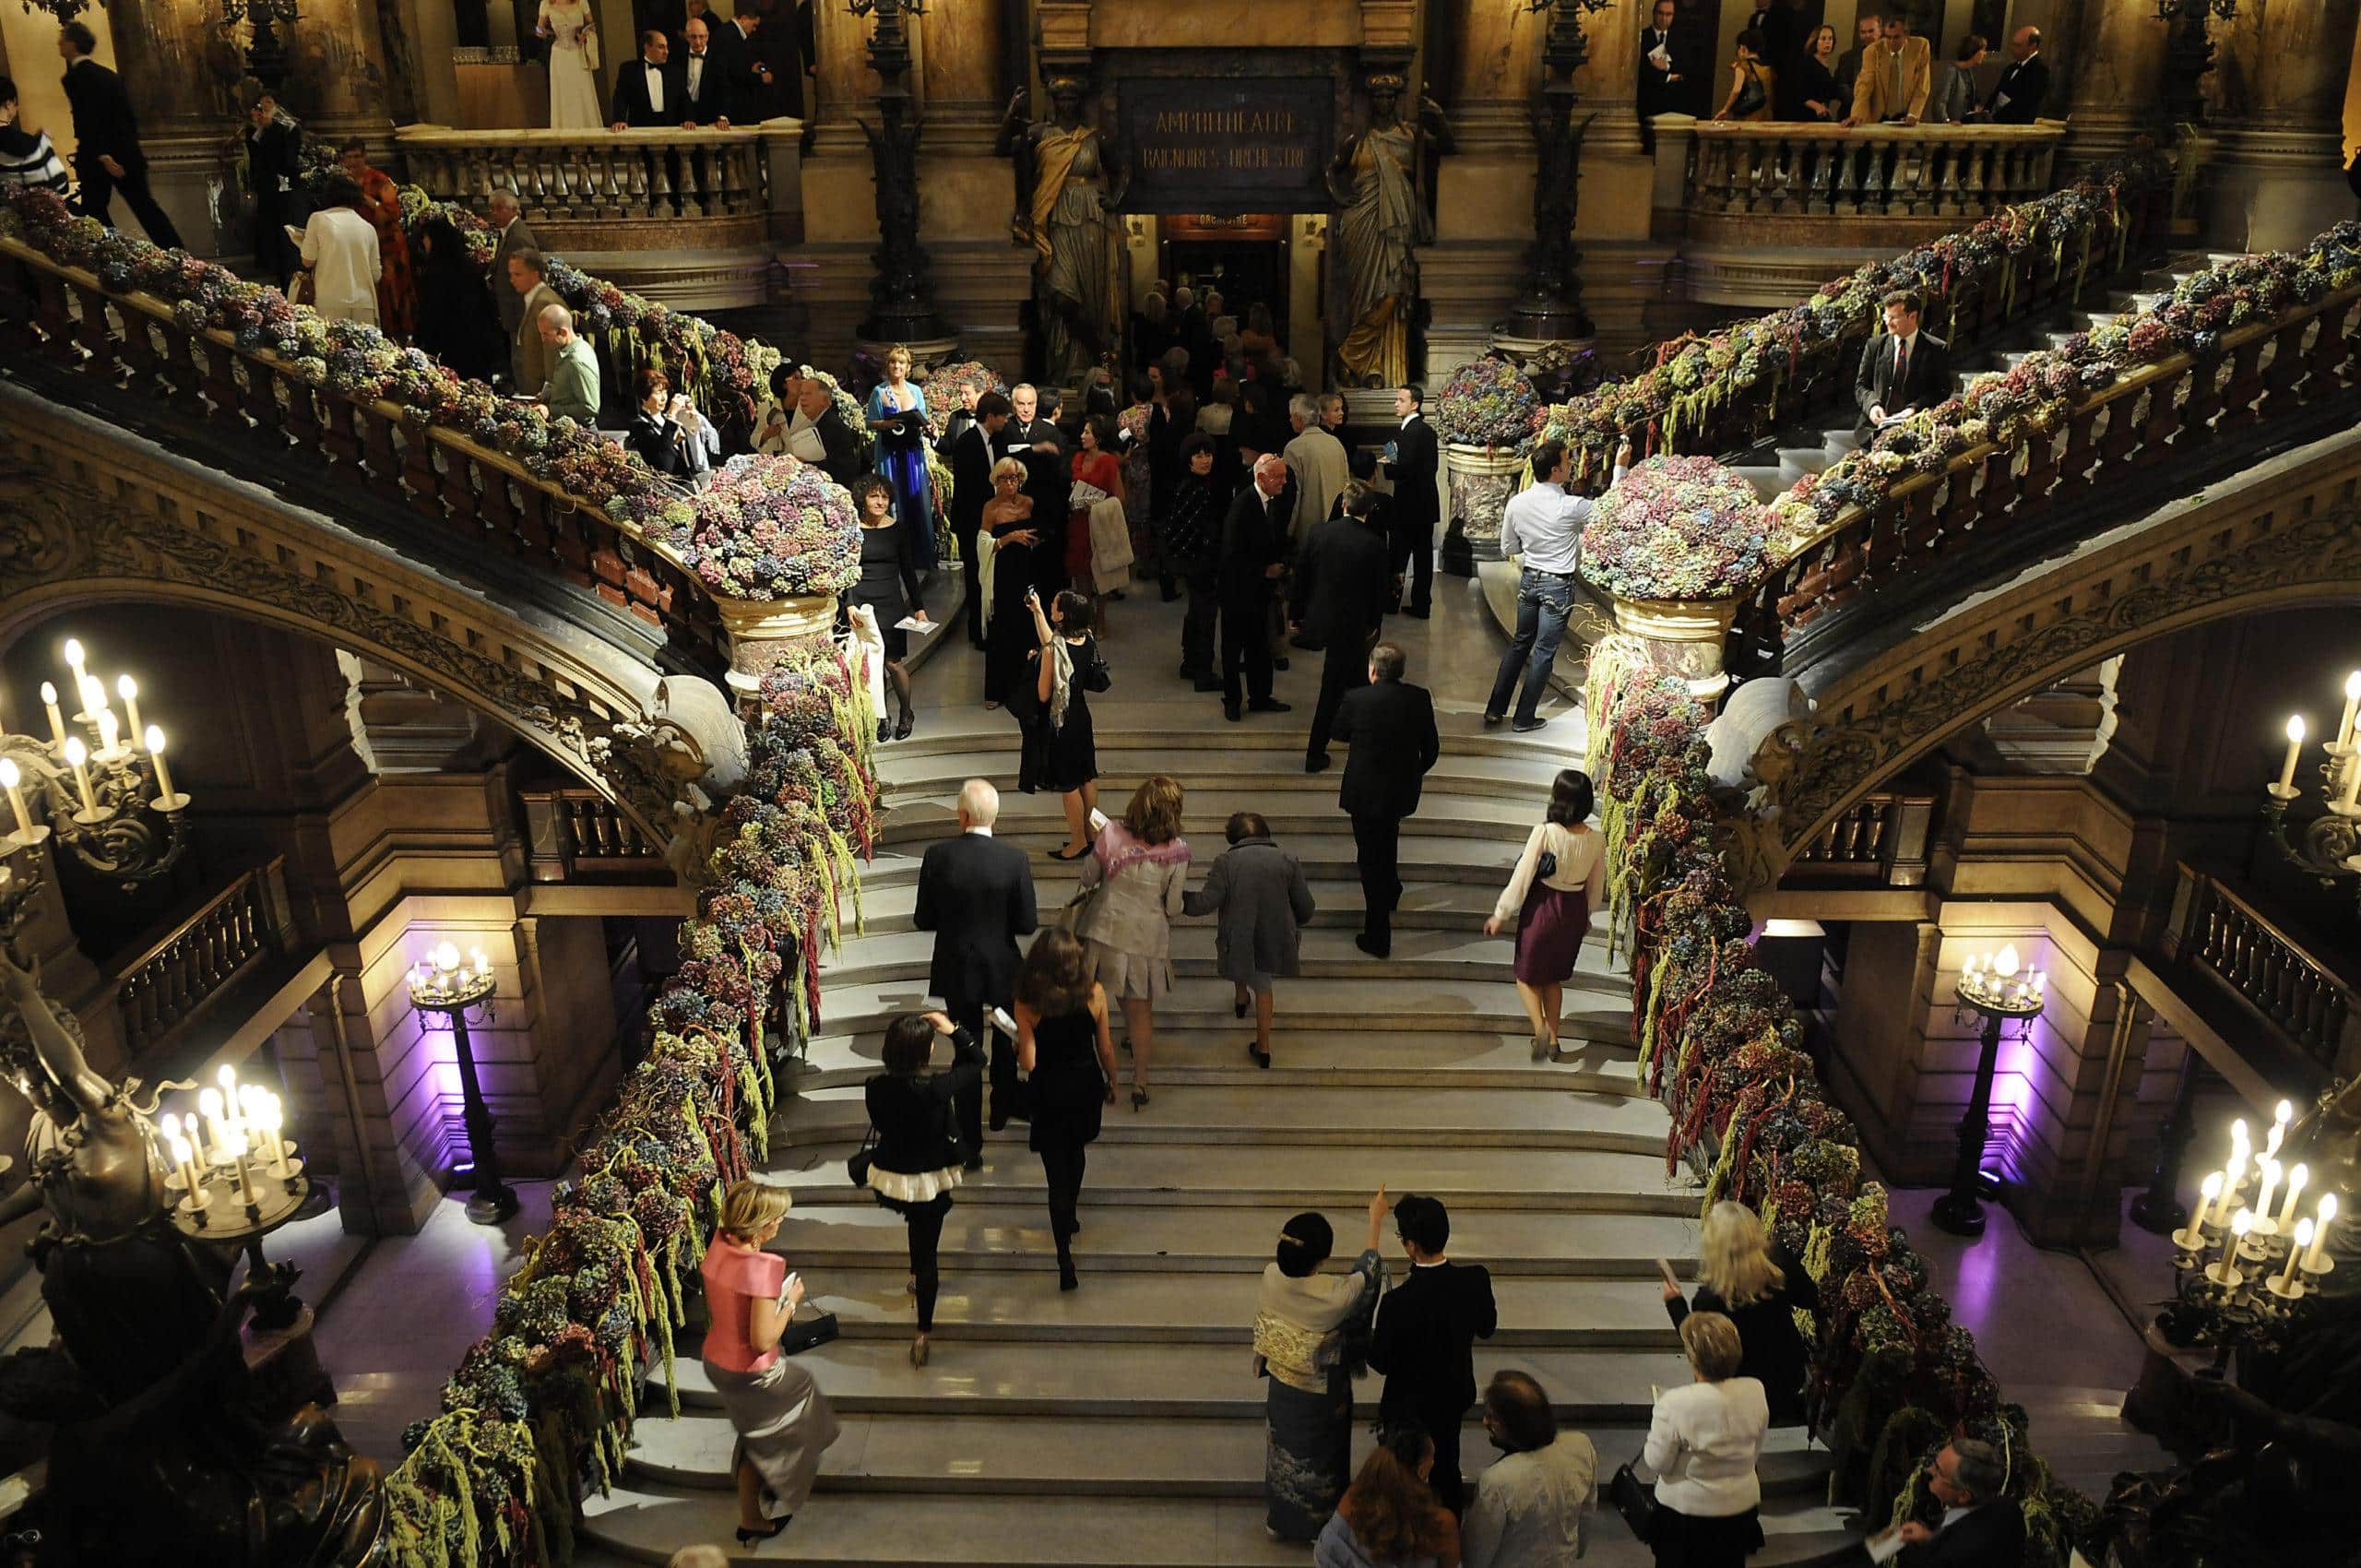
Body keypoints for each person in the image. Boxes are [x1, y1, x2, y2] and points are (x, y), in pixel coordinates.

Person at [699, 1178, 842, 1546]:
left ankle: (771, 1480)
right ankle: (753, 1516)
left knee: (758, 1434)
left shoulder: (719, 1242)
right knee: (784, 1419)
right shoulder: (762, 1267)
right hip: (753, 1372)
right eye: (777, 1218)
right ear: (760, 1224)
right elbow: (763, 1338)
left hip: (717, 1359)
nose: (781, 1223)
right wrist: (790, 1300)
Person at [912, 779, 1038, 1161]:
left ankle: (969, 1140)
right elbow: (1028, 923)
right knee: (1004, 1037)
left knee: (966, 1047)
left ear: (962, 815)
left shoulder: (937, 855)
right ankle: (1001, 1107)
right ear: (995, 817)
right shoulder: (1014, 859)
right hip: (1001, 965)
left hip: (957, 964)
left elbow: (923, 918)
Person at [1256, 1194, 1390, 1541]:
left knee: (1284, 1446)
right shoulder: (1335, 1294)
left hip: (1283, 1381)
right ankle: (1319, 1524)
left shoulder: (1271, 1276)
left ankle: (1282, 1518)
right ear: (1323, 1256)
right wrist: (1374, 1221)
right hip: (1321, 1392)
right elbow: (1368, 1271)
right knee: (1322, 1452)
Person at [861, 1010, 984, 1369]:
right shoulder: (935, 1089)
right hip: (929, 1180)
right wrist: (953, 1029)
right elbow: (978, 1059)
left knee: (916, 1228)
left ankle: (916, 1276)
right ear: (925, 1052)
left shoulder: (875, 1087)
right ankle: (923, 1332)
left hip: (895, 1175)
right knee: (928, 1246)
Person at [1369, 1194, 1496, 1516]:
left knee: (1401, 1476)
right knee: (1446, 1465)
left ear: (1411, 1246)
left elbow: (1380, 1362)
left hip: (1407, 1405)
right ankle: (1446, 1536)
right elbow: (1487, 1327)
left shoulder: (1397, 1303)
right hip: (1452, 1396)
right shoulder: (1475, 1279)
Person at [1484, 438, 1623, 732]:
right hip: (1557, 585)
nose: (1571, 465)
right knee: (1545, 652)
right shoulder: (1571, 506)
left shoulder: (1517, 502)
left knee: (1521, 643)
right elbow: (1612, 512)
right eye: (1567, 461)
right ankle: (1523, 718)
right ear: (1556, 471)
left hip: (1530, 580)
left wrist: (1534, 544)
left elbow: (1508, 547)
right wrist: (1620, 468)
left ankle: (1495, 709)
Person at [1012, 928, 1118, 1292]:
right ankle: (1070, 1213)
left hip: (1049, 1092)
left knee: (1055, 1171)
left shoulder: (1027, 1003)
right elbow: (1105, 1048)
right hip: (1085, 1086)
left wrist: (1018, 1041)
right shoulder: (1094, 993)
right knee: (1076, 1152)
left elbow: (1028, 1063)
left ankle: (1064, 1258)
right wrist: (1114, 1082)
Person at [1074, 775, 1189, 1109]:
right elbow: (1173, 906)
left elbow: (1087, 878)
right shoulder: (1178, 851)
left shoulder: (1112, 833)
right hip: (1146, 939)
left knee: (1102, 993)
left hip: (1104, 931)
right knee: (1141, 1012)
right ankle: (1140, 1081)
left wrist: (1098, 844)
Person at [1483, 767, 1607, 1059]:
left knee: (1526, 977)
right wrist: (1587, 913)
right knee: (1553, 979)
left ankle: (1539, 1028)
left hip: (1543, 906)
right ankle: (1553, 1040)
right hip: (1574, 909)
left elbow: (1523, 876)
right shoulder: (1597, 839)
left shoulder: (1545, 832)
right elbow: (1597, 884)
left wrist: (1501, 913)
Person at [1664, 1201, 1819, 1427]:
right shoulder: (1780, 1265)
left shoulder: (1710, 1298)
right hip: (1786, 1379)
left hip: (1736, 1388)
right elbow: (1810, 1298)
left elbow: (1701, 1348)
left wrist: (1675, 1303)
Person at [1330, 642, 1438, 960]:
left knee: (1369, 858)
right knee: (1388, 840)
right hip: (1400, 791)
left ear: (1372, 670)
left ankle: (1378, 934)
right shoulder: (1418, 698)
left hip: (1364, 792)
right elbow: (1431, 748)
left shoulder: (1356, 698)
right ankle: (1391, 889)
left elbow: (1337, 731)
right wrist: (1413, 772)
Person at [1185, 811, 1315, 1068]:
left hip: (1239, 934)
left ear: (1233, 838)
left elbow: (1206, 902)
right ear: (1265, 833)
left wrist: (1176, 898)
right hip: (1273, 935)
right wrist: (1294, 924)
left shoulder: (1226, 862)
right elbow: (1306, 906)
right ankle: (1263, 1046)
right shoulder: (1287, 860)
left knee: (1238, 957)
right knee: (1264, 986)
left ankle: (1240, 997)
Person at [1643, 1311, 1768, 1568]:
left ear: (1693, 1358)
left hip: (1685, 1519)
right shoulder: (1755, 1390)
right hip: (1738, 1512)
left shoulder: (1674, 1403)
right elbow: (1754, 1449)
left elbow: (1657, 1462)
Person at [1293, 484, 1393, 775]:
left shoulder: (1318, 532)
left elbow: (1302, 576)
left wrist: (1296, 614)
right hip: (1353, 626)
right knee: (1342, 687)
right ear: (1369, 510)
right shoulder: (1373, 543)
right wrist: (1374, 625)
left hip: (1322, 619)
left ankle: (1333, 740)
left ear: (1344, 506)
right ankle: (1321, 751)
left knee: (1341, 684)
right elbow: (1379, 591)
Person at [57, 22, 184, 249]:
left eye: (63, 39)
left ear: (73, 44)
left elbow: (89, 119)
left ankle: (114, 251)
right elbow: (127, 118)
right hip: (126, 151)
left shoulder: (78, 78)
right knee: (144, 207)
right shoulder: (108, 75)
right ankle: (177, 253)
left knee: (96, 210)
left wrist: (104, 155)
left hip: (101, 154)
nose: (59, 43)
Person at [1461, 1372, 1596, 1568]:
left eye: (1492, 1417)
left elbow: (1476, 1555)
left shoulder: (1497, 1481)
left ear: (1516, 1425)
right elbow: (1586, 1516)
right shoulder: (1581, 1447)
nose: (1485, 1422)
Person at [1020, 588, 1108, 849]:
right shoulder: (1087, 639)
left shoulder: (1051, 652)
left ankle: (1078, 841)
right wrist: (1036, 612)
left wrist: (1037, 664)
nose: (1050, 604)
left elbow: (1044, 694)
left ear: (1062, 615)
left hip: (1061, 723)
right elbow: (1055, 643)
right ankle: (1092, 834)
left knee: (1068, 784)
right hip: (1082, 716)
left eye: (1054, 604)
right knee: (1086, 777)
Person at [844, 474, 925, 741]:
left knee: (893, 662)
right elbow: (847, 571)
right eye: (874, 496)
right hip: (862, 604)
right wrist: (850, 605)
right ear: (863, 499)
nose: (880, 502)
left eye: (884, 497)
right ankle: (881, 716)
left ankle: (906, 712)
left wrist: (919, 607)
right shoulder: (851, 529)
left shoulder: (898, 529)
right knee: (869, 664)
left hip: (891, 603)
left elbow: (908, 571)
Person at [1857, 1440, 2024, 1566]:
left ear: (1963, 1496)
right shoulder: (2009, 1508)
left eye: (1939, 1472)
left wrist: (1900, 1545)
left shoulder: (1945, 1558)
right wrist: (1930, 1538)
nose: (1929, 1471)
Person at [1316, 1425, 1462, 1568]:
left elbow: (1329, 1547)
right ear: (1422, 1470)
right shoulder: (1441, 1523)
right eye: (1433, 1457)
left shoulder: (1352, 1499)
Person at [1218, 455, 1294, 723]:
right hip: (1238, 592)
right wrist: (1263, 571)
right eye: (1279, 477)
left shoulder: (1273, 502)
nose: (1285, 482)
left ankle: (1260, 696)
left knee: (1259, 646)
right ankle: (1232, 700)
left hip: (1259, 592)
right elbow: (1231, 555)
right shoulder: (1242, 507)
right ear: (1261, 478)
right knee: (1233, 647)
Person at [981, 457, 1046, 707]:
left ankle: (1030, 684)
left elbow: (1038, 532)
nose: (1010, 483)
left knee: (1028, 624)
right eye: (1005, 478)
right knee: (1003, 626)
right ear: (996, 481)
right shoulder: (991, 508)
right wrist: (1008, 538)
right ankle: (997, 690)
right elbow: (983, 543)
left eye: (1015, 478)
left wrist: (1035, 540)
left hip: (1028, 569)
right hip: (1003, 572)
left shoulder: (1029, 503)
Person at [867, 344, 938, 572]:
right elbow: (869, 421)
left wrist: (930, 428)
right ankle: (896, 557)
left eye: (901, 363)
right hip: (890, 453)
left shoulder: (916, 392)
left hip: (912, 453)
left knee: (916, 499)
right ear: (888, 365)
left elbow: (924, 419)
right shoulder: (879, 392)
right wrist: (886, 424)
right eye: (893, 362)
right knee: (894, 499)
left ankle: (922, 556)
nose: (897, 366)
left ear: (908, 367)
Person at [410, 215, 505, 383]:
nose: (424, 243)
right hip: (477, 345)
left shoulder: (435, 272)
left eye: (426, 238)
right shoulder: (470, 268)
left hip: (448, 345)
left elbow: (430, 312)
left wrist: (418, 341)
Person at [951, 391, 1013, 647]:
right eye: (1003, 417)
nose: (1006, 421)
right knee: (976, 578)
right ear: (990, 417)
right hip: (972, 520)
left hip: (990, 519)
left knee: (990, 576)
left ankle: (991, 626)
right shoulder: (967, 442)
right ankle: (977, 632)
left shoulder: (996, 440)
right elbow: (971, 487)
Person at [1167, 434, 1226, 691]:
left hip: (1192, 561)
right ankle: (1203, 671)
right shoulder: (1197, 489)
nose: (1205, 460)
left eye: (1208, 454)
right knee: (1205, 617)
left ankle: (1190, 664)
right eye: (1198, 456)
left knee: (1196, 614)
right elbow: (1199, 530)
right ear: (1187, 460)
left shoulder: (1193, 485)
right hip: (1201, 562)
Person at [338, 138, 414, 338]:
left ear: (365, 156)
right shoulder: (342, 182)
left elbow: (394, 214)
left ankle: (396, 335)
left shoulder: (380, 180)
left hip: (386, 245)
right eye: (349, 157)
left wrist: (368, 201)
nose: (354, 161)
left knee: (390, 292)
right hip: (358, 244)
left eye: (357, 156)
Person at [1855, 288, 1951, 434]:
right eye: (1887, 317)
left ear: (1912, 316)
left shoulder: (1936, 348)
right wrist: (1872, 406)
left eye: (1894, 318)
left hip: (1916, 428)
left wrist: (1914, 408)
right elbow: (1861, 386)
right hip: (1874, 429)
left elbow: (1941, 391)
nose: (1888, 322)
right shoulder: (1874, 345)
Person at [611, 30, 686, 213]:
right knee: (652, 169)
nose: (666, 51)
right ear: (647, 47)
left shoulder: (675, 72)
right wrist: (620, 119)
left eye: (667, 47)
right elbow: (620, 96)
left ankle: (676, 208)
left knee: (674, 168)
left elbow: (684, 99)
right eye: (661, 47)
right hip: (644, 125)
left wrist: (688, 119)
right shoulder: (629, 69)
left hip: (670, 126)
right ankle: (656, 207)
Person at [1383, 386, 1440, 618]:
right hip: (1424, 505)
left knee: (1399, 554)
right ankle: (1421, 604)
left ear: (1414, 404)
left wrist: (1387, 466)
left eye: (1401, 400)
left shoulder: (1414, 431)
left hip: (1410, 505)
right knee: (1423, 556)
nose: (1396, 404)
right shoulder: (1421, 430)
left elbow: (1405, 467)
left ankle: (1392, 603)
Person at [298, 178, 383, 327]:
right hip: (364, 302)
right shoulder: (368, 227)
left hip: (330, 300)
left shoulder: (318, 219)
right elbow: (376, 275)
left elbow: (307, 260)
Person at [239, 89, 301, 284]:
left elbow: (287, 159)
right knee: (269, 234)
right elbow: (255, 155)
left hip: (285, 188)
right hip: (265, 188)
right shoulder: (255, 130)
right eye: (261, 102)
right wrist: (257, 129)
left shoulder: (288, 127)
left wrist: (272, 128)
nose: (264, 106)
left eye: (268, 101)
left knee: (286, 235)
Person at [1067, 413, 1128, 606]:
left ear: (1098, 437)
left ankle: (1100, 617)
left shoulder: (1108, 461)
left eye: (1087, 432)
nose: (1082, 436)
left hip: (1099, 524)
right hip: (1078, 523)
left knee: (1101, 575)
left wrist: (1093, 505)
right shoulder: (1077, 458)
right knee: (1080, 573)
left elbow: (1120, 498)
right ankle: (1085, 620)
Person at [1845, 6, 1930, 127]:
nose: (1891, 42)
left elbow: (1922, 85)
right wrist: (1857, 115)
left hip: (1906, 116)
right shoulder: (1872, 51)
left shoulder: (1920, 47)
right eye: (1888, 37)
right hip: (1879, 117)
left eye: (1896, 37)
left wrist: (1913, 114)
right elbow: (1864, 85)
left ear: (1906, 34)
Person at [625, 366, 718, 478]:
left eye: (665, 392)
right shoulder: (640, 425)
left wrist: (690, 417)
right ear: (643, 398)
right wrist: (671, 415)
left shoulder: (665, 419)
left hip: (689, 479)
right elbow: (664, 459)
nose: (664, 398)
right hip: (669, 484)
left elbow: (692, 449)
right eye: (658, 393)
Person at [1284, 394, 1351, 543]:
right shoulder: (1336, 443)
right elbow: (1347, 484)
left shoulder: (1293, 448)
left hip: (1308, 529)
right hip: (1336, 526)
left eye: (1291, 416)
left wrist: (1288, 531)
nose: (1290, 420)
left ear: (1298, 417)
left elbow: (1294, 492)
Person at [786, 369, 863, 487]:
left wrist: (804, 464)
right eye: (801, 394)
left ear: (825, 400)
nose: (802, 398)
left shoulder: (832, 425)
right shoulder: (820, 422)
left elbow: (840, 467)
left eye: (808, 394)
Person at [537, 0, 604, 130]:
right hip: (559, 54)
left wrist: (584, 35)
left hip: (578, 52)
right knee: (563, 93)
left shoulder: (581, 2)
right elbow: (538, 28)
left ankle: (588, 131)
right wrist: (544, 32)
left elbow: (592, 25)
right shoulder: (546, 3)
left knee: (581, 90)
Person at [488, 190, 540, 350]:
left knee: (522, 364)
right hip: (511, 315)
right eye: (491, 208)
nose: (493, 213)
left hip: (520, 317)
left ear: (513, 210)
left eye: (499, 208)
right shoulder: (508, 233)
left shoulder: (518, 237)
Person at [1634, 0, 1690, 151]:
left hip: (1672, 102)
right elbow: (1640, 69)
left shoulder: (1680, 40)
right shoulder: (1641, 37)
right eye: (1660, 13)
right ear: (1654, 13)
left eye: (1668, 14)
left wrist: (1667, 67)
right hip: (1647, 100)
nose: (1664, 18)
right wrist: (1669, 76)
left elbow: (1686, 68)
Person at [507, 247, 564, 394]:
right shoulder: (533, 299)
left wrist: (546, 395)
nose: (511, 280)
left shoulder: (545, 303)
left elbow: (554, 353)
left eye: (518, 274)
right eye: (511, 274)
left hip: (541, 396)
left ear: (534, 275)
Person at [537, 303, 601, 426]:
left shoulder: (577, 361)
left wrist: (551, 410)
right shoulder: (569, 350)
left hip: (580, 432)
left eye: (546, 334)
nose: (542, 340)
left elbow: (590, 408)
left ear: (563, 332)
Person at [1979, 27, 2048, 125]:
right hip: (1996, 123)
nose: (2013, 49)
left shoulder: (2039, 69)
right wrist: (1986, 111)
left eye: (2018, 45)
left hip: (2016, 126)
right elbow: (1997, 92)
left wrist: (1995, 118)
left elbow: (2025, 102)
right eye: (2013, 44)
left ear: (2032, 46)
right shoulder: (2011, 67)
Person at [1712, 30, 1776, 124]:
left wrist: (1725, 109)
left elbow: (1736, 89)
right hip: (1767, 116)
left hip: (1748, 116)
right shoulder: (1767, 67)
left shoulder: (1743, 65)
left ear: (1743, 47)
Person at [1789, 26, 1845, 125]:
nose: (1828, 42)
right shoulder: (1807, 62)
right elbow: (1800, 94)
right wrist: (1817, 106)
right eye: (1823, 38)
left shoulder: (1826, 64)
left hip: (1821, 117)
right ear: (1815, 42)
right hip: (1806, 117)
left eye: (1830, 38)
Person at [1928, 33, 1985, 125]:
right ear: (1974, 51)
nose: (1985, 54)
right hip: (1952, 127)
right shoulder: (1951, 71)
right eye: (1983, 50)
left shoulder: (1968, 72)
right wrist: (1947, 122)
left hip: (1964, 124)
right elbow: (1939, 102)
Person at [1833, 12, 1880, 105]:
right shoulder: (1847, 58)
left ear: (1880, 31)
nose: (1867, 35)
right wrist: (1861, 105)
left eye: (1871, 31)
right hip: (1851, 113)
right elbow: (1841, 87)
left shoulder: (1892, 57)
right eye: (1863, 32)